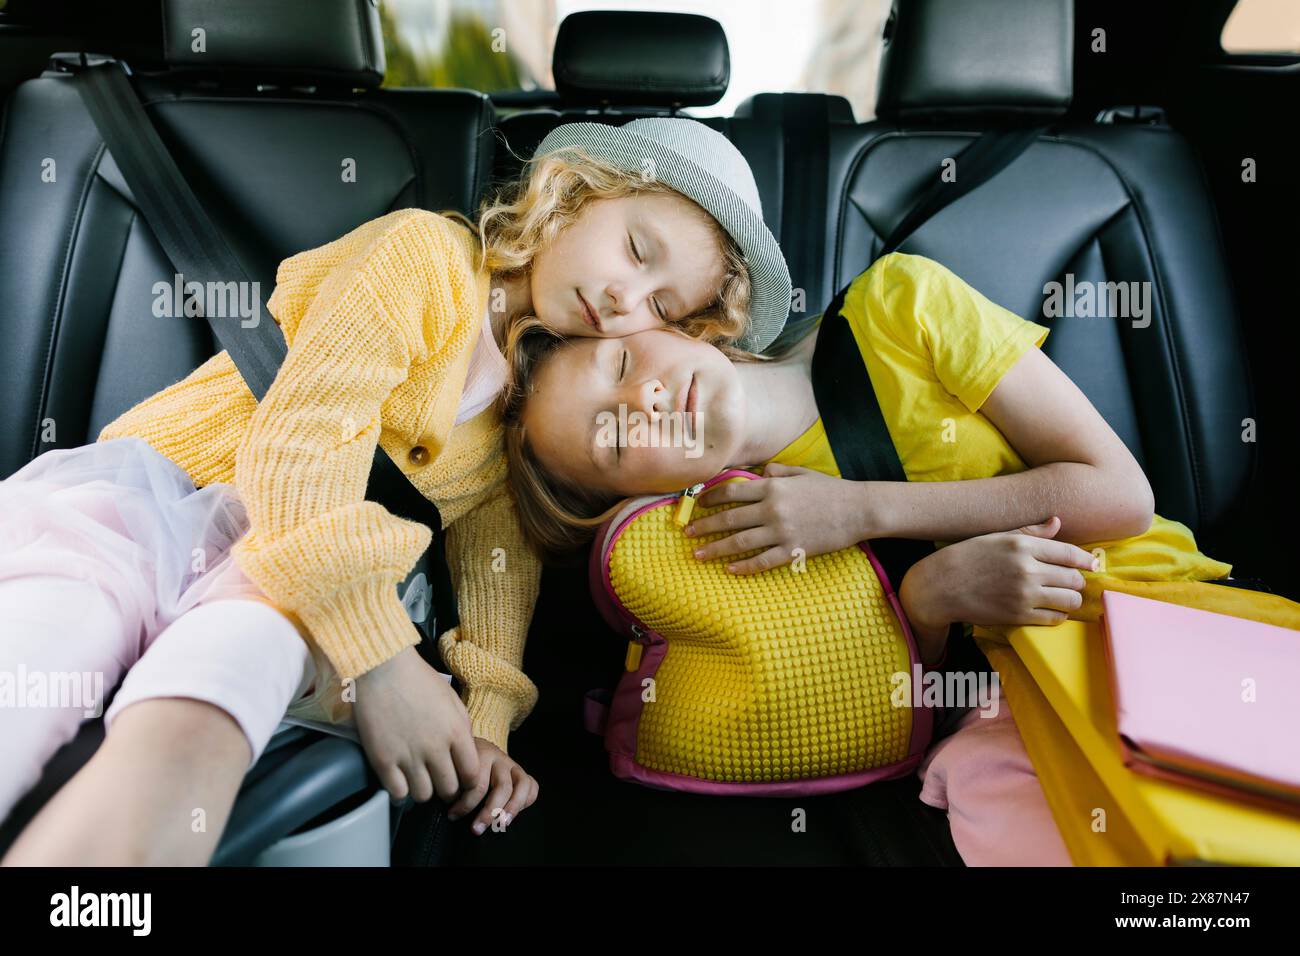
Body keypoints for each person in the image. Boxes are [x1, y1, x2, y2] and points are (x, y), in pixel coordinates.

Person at [0, 117, 792, 865]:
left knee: (217, 700)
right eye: (635, 250)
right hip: (153, 510)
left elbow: (497, 575)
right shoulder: (422, 259)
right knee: (41, 656)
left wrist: (485, 730)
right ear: (573, 193)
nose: (626, 299)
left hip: (280, 590)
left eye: (660, 307)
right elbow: (299, 446)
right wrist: (381, 661)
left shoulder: (524, 420)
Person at [498, 250, 1299, 865]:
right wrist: (933, 595)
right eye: (612, 438)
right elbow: (882, 695)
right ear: (628, 502)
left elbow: (1118, 494)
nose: (642, 402)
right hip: (999, 716)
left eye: (622, 364)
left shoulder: (899, 305)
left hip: (1149, 617)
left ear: (674, 324)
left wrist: (861, 511)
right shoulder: (711, 540)